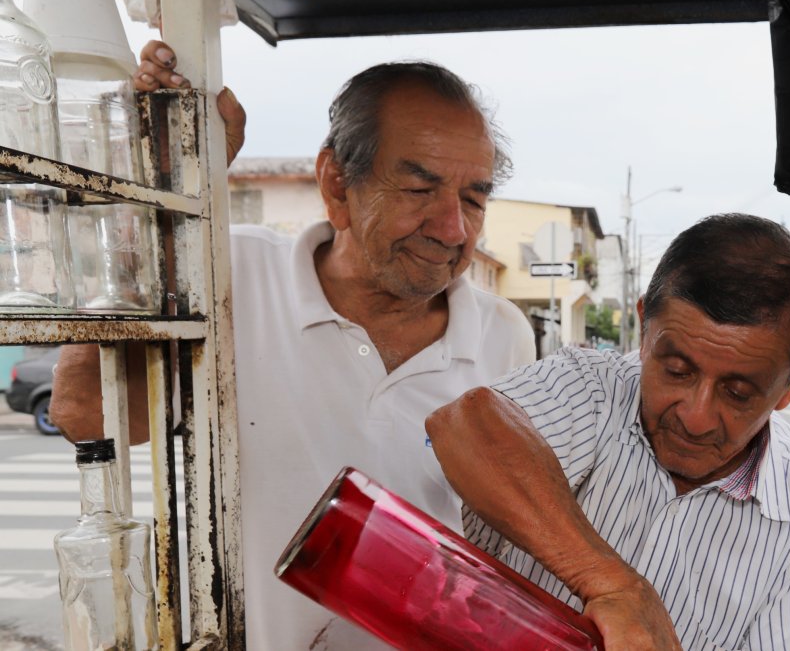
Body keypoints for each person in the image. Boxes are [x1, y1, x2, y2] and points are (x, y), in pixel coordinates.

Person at [51, 42, 536, 650]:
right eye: (419, 189)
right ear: (337, 182)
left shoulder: (504, 334)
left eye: (474, 198)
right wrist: (152, 198)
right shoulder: (229, 274)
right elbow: (84, 414)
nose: (453, 228)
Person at [427, 213, 790, 651]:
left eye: (738, 393)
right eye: (677, 370)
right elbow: (463, 424)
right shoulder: (591, 388)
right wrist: (611, 584)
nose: (696, 417)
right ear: (644, 329)